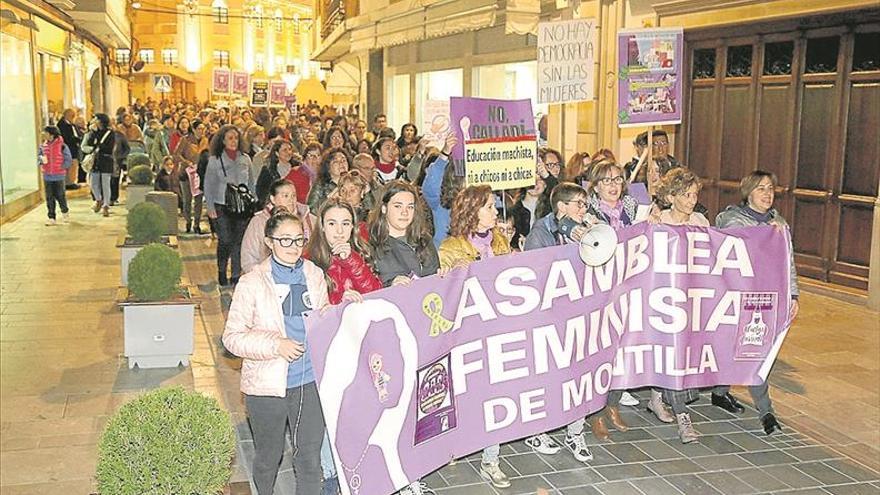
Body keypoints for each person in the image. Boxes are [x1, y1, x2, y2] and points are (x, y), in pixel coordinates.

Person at [222, 211, 329, 495]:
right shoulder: (252, 283)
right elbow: (232, 339)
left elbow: (322, 319)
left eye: (299, 240)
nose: (294, 247)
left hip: (308, 381)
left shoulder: (314, 274)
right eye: (285, 240)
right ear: (269, 242)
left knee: (309, 459)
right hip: (267, 386)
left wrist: (342, 309)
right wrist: (276, 345)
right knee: (269, 458)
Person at [709, 170, 799, 435]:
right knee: (733, 347)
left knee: (758, 351)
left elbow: (787, 263)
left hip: (766, 299)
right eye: (761, 189)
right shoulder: (733, 220)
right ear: (748, 193)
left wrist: (793, 294)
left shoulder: (779, 223)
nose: (767, 194)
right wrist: (765, 233)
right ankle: (720, 391)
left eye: (770, 188)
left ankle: (766, 411)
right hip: (737, 296)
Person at [365, 180, 438, 495]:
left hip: (421, 334)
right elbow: (362, 289)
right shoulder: (371, 246)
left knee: (418, 408)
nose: (405, 212)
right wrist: (387, 284)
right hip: (386, 339)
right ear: (383, 208)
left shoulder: (424, 243)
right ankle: (391, 474)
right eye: (398, 206)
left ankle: (412, 472)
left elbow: (436, 281)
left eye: (410, 206)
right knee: (391, 409)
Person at [437, 185, 513, 489]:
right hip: (467, 333)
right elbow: (443, 292)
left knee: (494, 393)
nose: (495, 212)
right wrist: (454, 271)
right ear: (472, 211)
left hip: (497, 330)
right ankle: (454, 444)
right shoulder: (450, 248)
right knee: (467, 393)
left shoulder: (501, 241)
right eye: (489, 207)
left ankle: (491, 460)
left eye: (495, 207)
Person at [522, 182, 595, 463]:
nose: (584, 209)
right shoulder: (540, 233)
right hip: (549, 316)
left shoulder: (589, 226)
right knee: (547, 376)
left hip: (579, 312)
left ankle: (575, 432)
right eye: (579, 204)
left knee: (581, 373)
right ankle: (537, 430)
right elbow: (535, 276)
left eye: (585, 204)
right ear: (562, 207)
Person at [649, 167, 709, 443]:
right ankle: (683, 416)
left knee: (686, 353)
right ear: (671, 196)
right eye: (686, 195)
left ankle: (658, 394)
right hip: (664, 298)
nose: (692, 200)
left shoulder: (700, 221)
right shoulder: (658, 220)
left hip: (693, 296)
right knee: (673, 353)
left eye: (695, 194)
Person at [204, 125, 253, 286]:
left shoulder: (245, 159)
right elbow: (208, 185)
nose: (233, 141)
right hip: (221, 205)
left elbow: (251, 184)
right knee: (225, 240)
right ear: (223, 140)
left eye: (236, 138)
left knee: (238, 241)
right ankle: (221, 270)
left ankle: (236, 274)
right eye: (230, 138)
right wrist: (210, 207)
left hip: (242, 207)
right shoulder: (215, 160)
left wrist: (254, 203)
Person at [241, 179, 314, 274]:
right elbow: (248, 258)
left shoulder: (308, 218)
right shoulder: (259, 222)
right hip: (267, 277)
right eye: (285, 196)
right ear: (273, 199)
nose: (291, 200)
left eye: (293, 195)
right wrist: (262, 279)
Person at [175, 119, 208, 234]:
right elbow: (177, 154)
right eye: (199, 128)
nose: (202, 131)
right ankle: (188, 220)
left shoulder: (205, 141)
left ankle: (197, 224)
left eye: (203, 129)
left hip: (199, 174)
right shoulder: (185, 140)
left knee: (198, 199)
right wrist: (187, 162)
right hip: (186, 173)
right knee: (187, 199)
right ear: (193, 129)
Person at [82, 113, 115, 217]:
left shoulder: (110, 133)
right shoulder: (93, 132)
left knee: (106, 184)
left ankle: (106, 205)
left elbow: (109, 148)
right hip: (96, 161)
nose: (94, 121)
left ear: (101, 121)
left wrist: (98, 145)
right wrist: (93, 133)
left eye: (96, 119)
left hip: (106, 160)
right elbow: (89, 144)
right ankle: (98, 199)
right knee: (93, 183)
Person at [38, 126, 72, 225]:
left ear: (52, 134)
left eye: (45, 132)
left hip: (59, 176)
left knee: (60, 195)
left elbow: (68, 159)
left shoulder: (62, 146)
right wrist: (41, 161)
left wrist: (62, 167)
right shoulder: (43, 146)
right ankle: (51, 217)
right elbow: (39, 157)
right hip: (47, 175)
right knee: (49, 197)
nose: (43, 134)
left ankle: (65, 212)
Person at [255, 140, 301, 208]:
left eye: (290, 149)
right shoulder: (268, 170)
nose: (288, 152)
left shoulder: (298, 168)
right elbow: (261, 191)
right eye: (284, 150)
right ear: (277, 153)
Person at [57, 109, 84, 184]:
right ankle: (69, 182)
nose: (73, 117)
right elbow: (66, 137)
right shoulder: (62, 124)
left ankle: (71, 181)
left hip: (73, 149)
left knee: (73, 166)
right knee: (70, 165)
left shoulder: (71, 124)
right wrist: (76, 140)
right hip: (68, 148)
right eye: (72, 116)